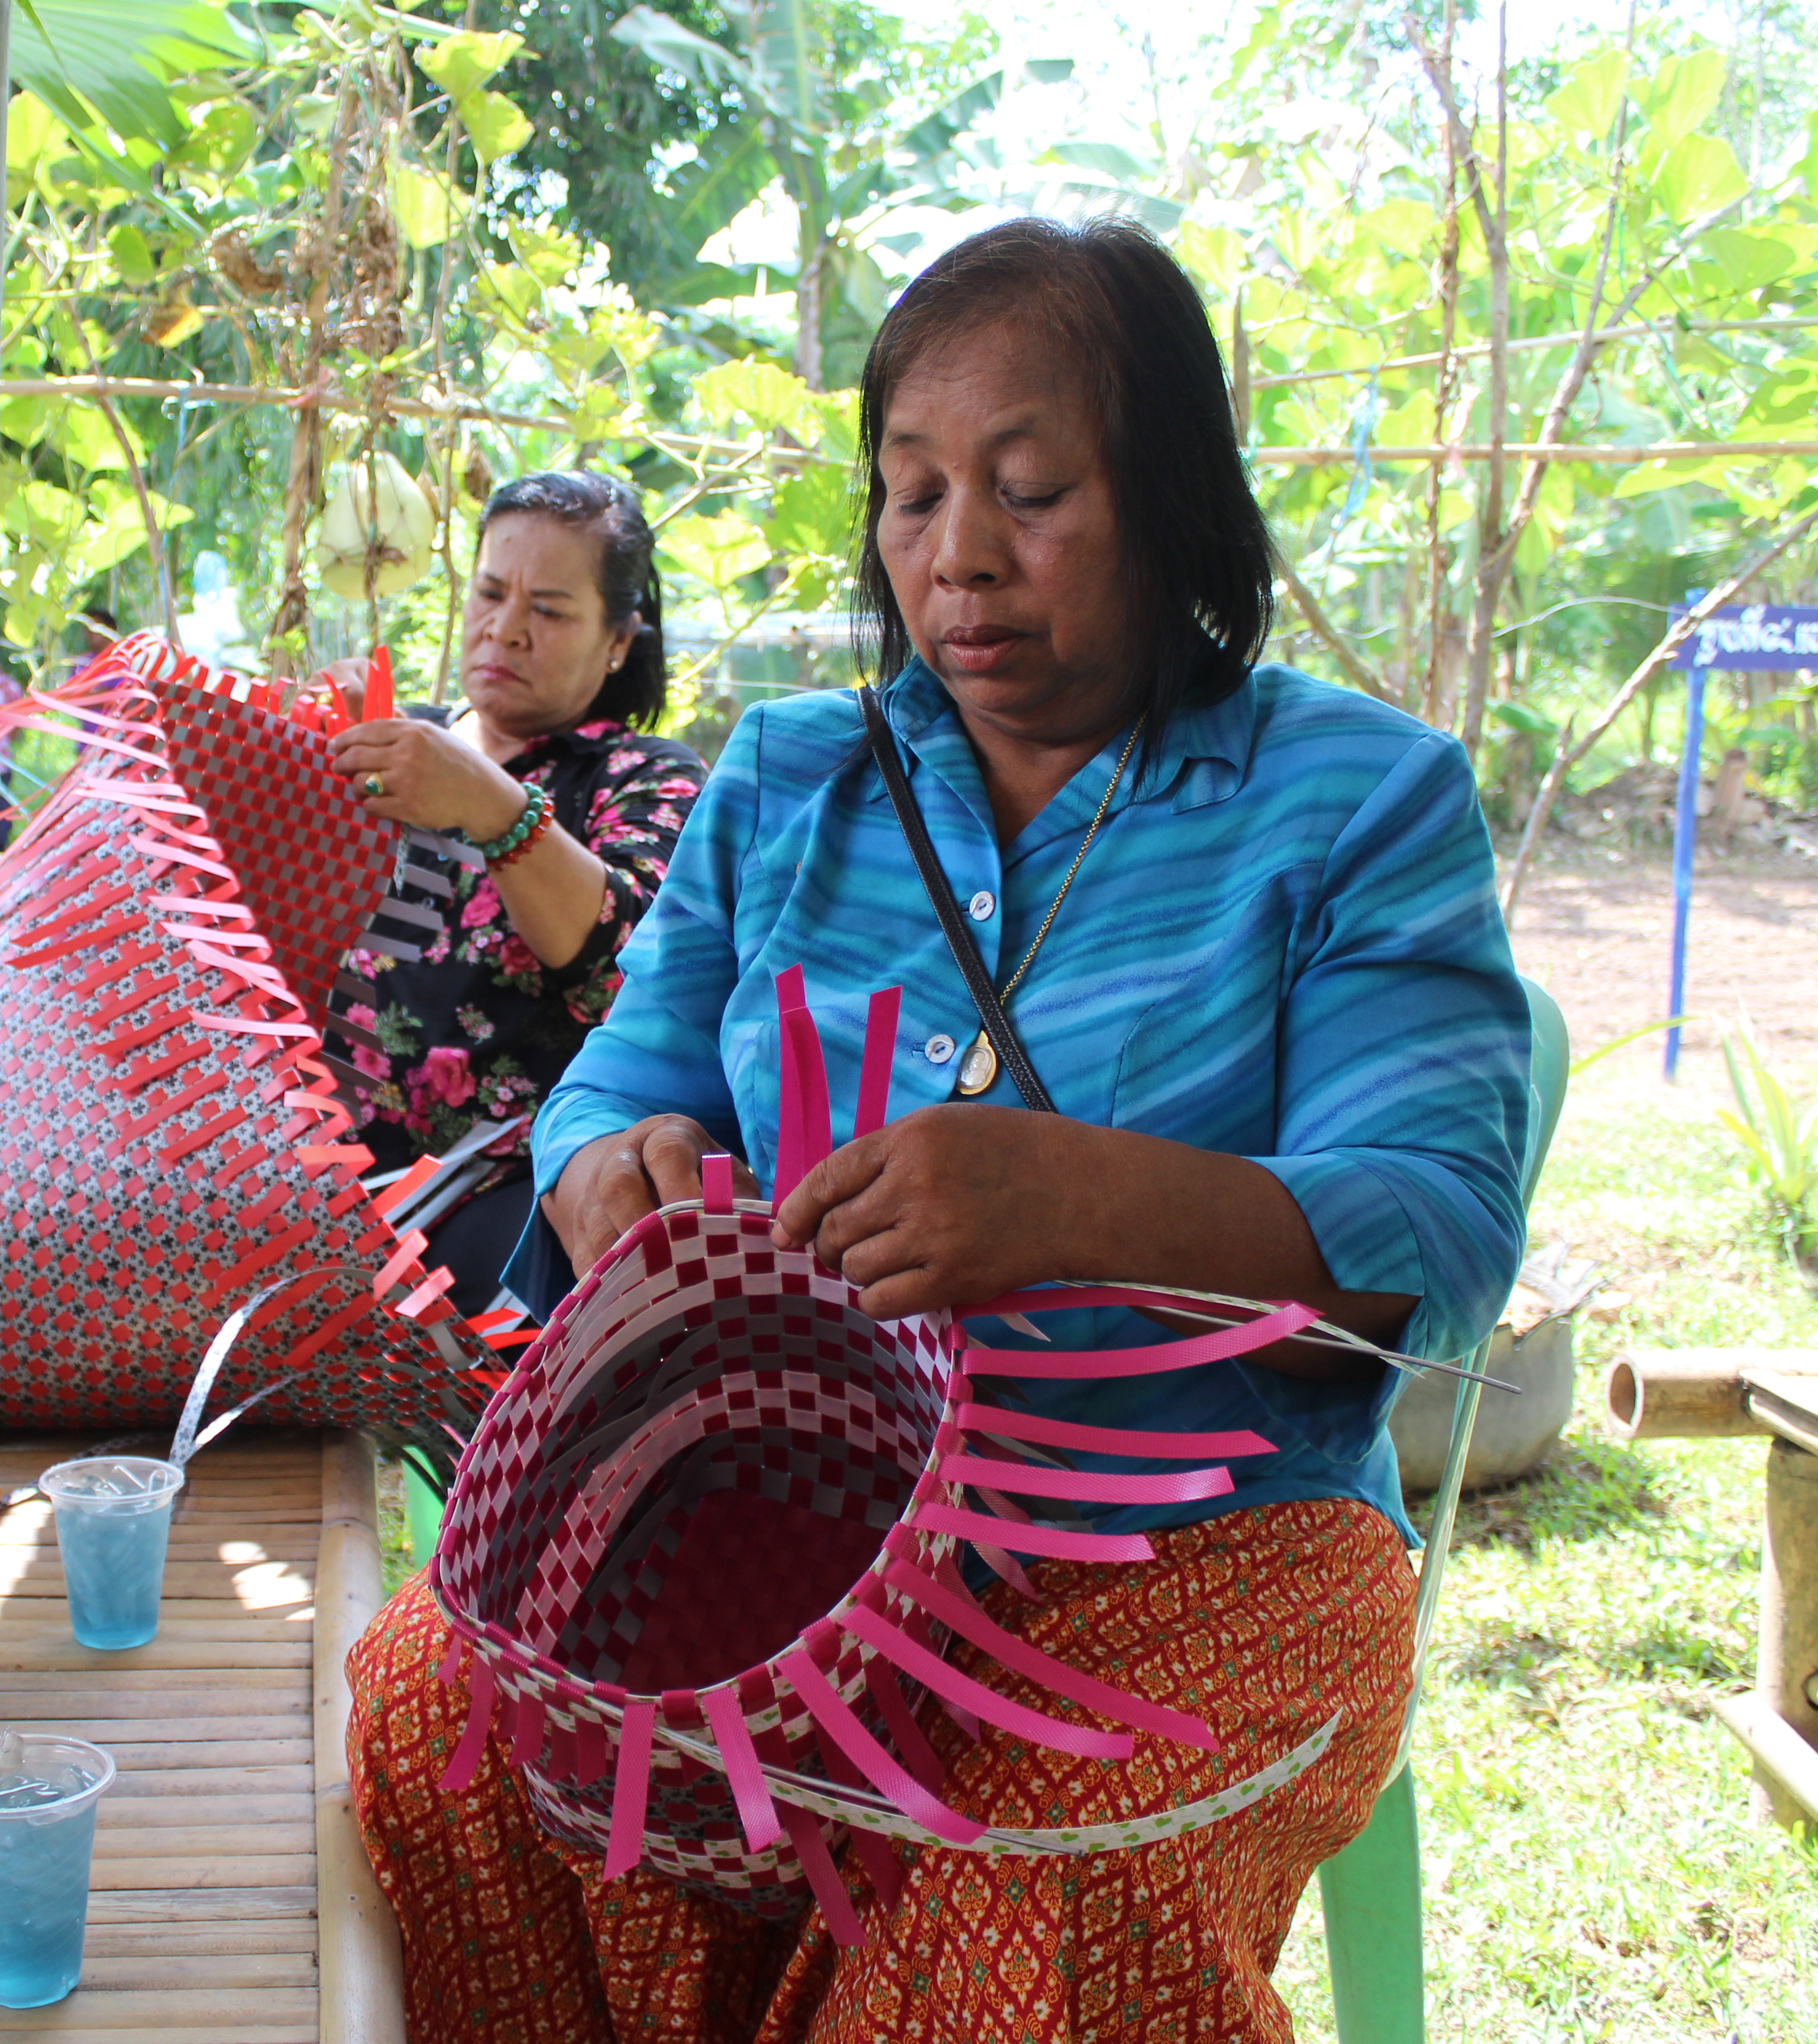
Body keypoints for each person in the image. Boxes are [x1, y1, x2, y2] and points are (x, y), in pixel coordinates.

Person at [341, 218, 1532, 2041]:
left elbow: (1436, 1243)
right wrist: (609, 1168)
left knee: (1011, 1881)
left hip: (1209, 1535)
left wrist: (1085, 1201)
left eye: (1030, 492)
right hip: (792, 1506)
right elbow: (622, 1074)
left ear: (1173, 498)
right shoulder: (789, 779)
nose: (957, 553)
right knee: (447, 1711)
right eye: (912, 495)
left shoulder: (1358, 801)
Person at [315, 471, 706, 1315]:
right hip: (312, 1173)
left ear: (618, 640)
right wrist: (310, 747)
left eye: (551, 611)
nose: (507, 629)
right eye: (491, 594)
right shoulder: (400, 742)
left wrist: (496, 807)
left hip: (502, 1195)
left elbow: (630, 967)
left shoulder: (640, 777)